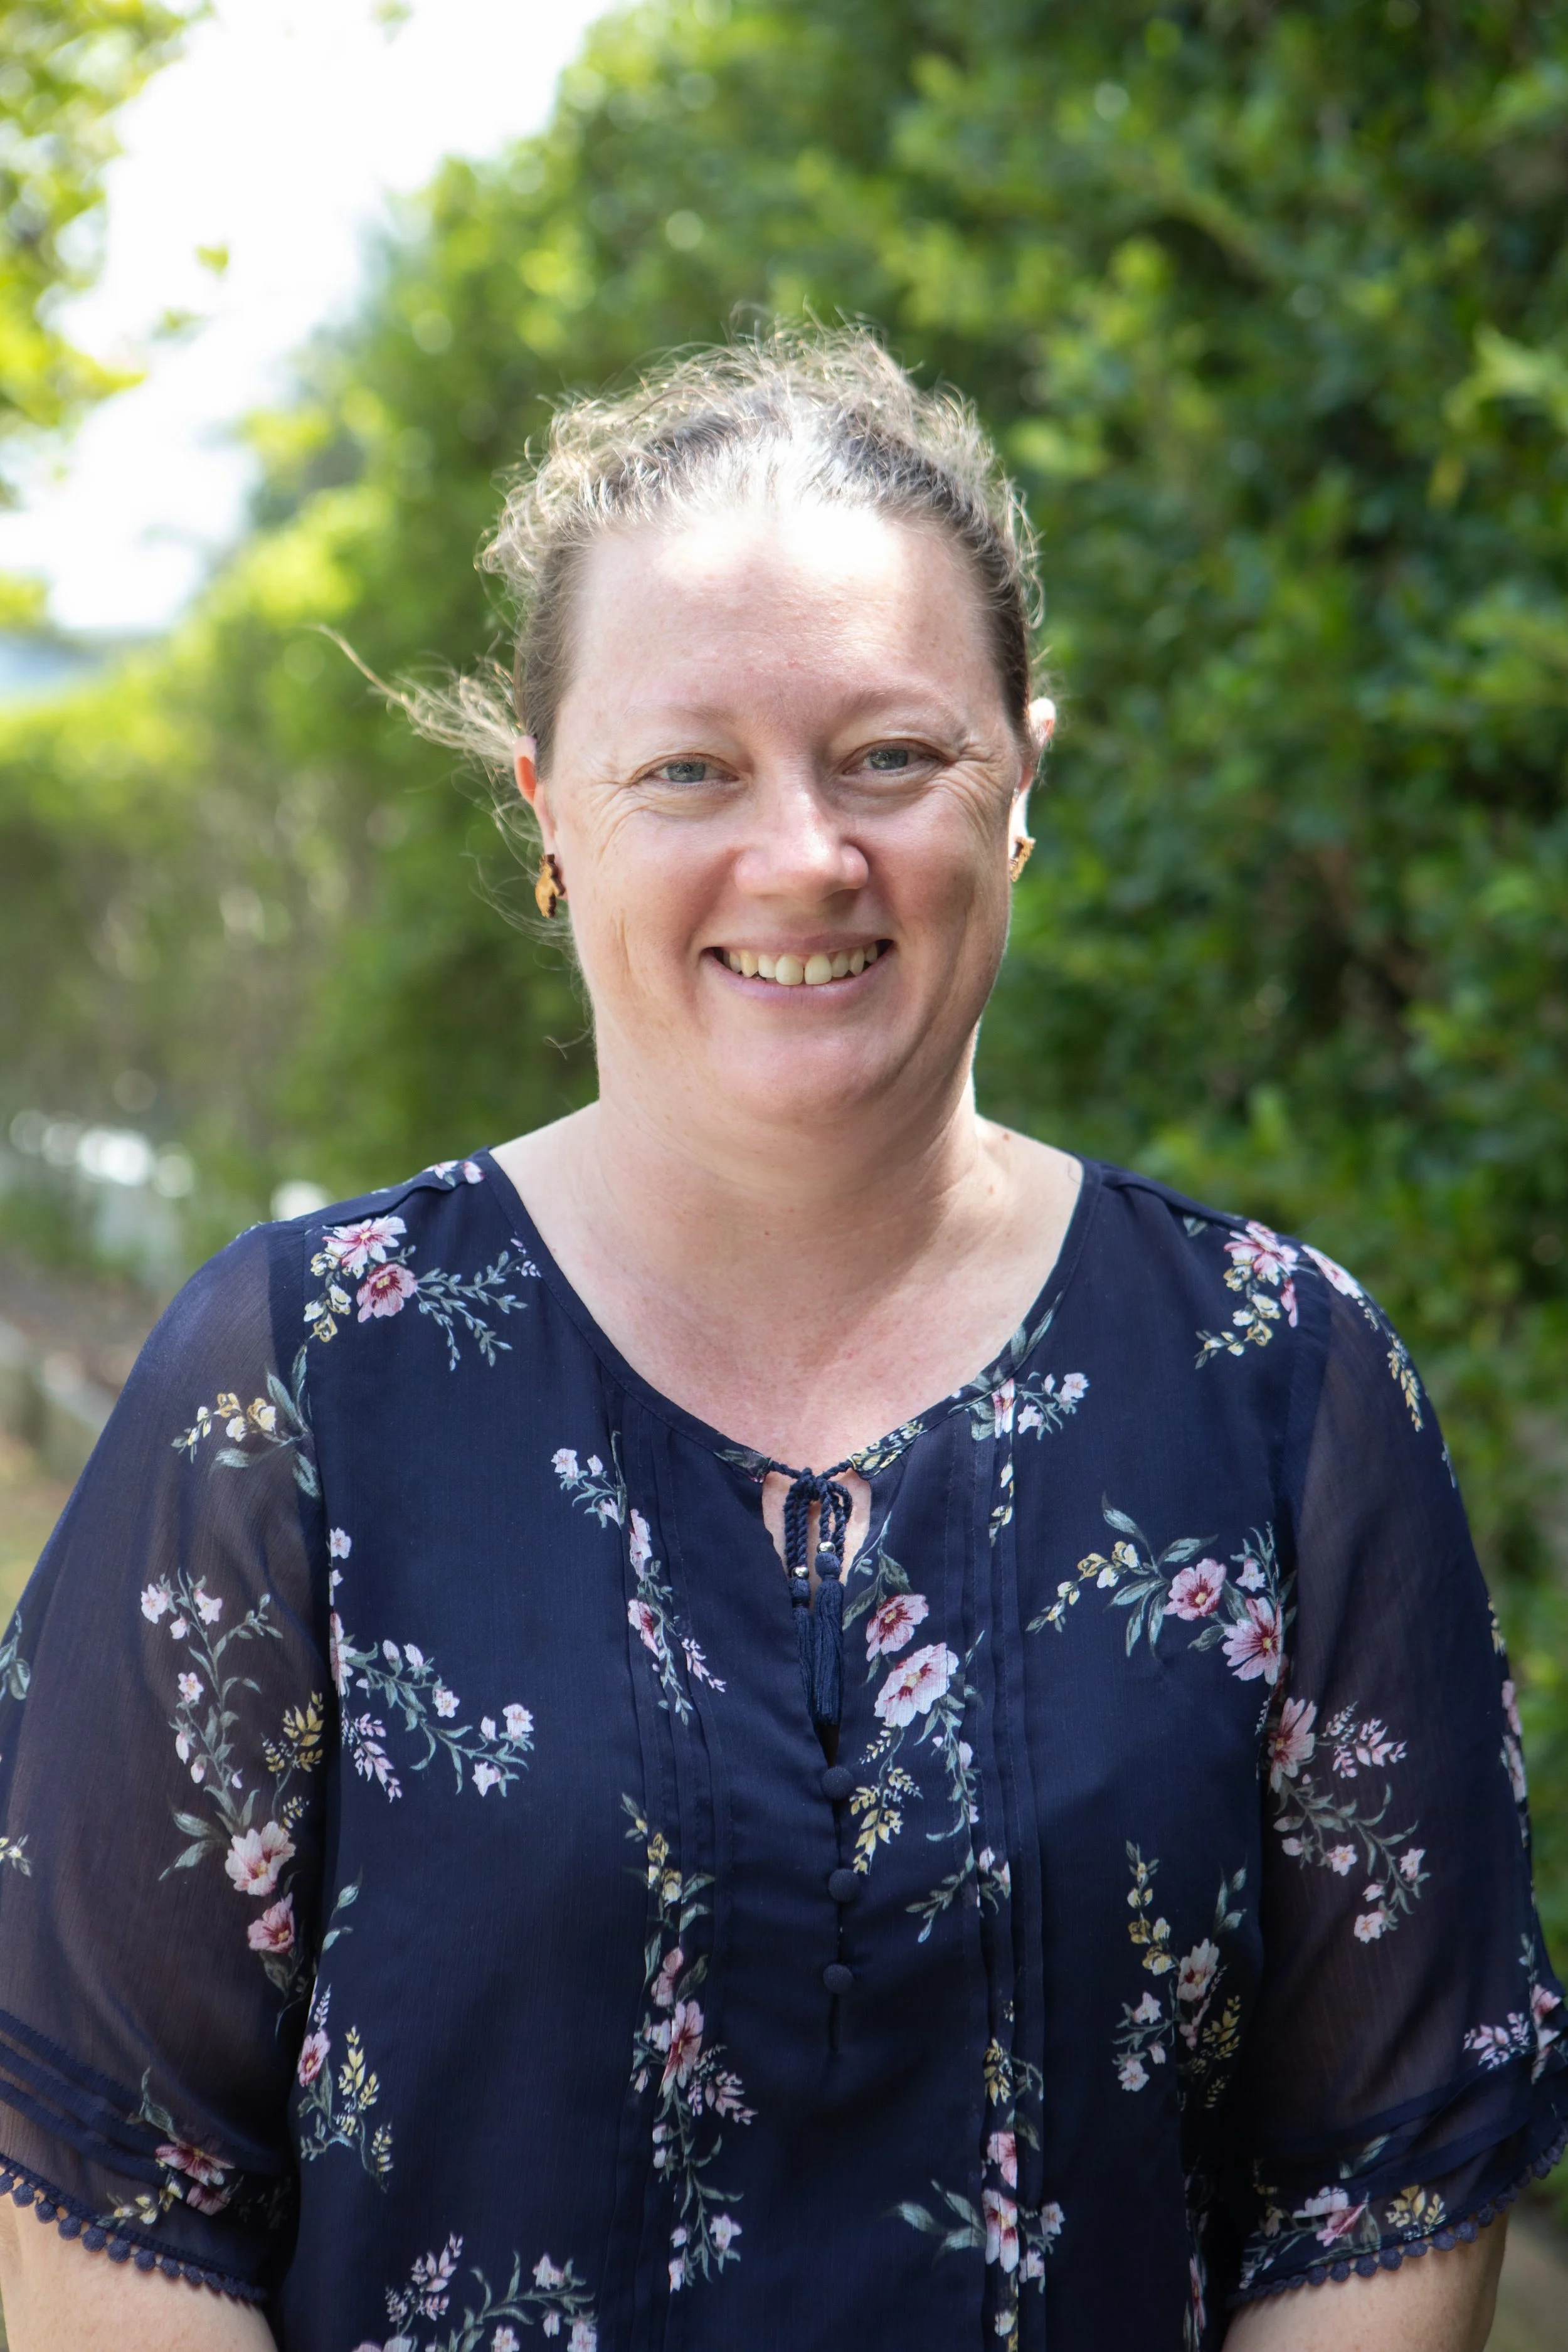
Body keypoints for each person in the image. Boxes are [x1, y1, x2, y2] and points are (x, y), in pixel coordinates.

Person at [0, 332, 1557, 2352]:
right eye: (690, 768)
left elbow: (1375, 2188)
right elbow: (113, 2186)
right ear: (550, 810)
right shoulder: (295, 1388)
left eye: (891, 756)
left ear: (1023, 786)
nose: (803, 856)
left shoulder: (1281, 1387)